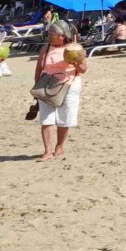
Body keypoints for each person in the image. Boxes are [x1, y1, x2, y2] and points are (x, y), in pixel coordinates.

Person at [34, 21, 87, 161]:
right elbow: (39, 68)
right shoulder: (45, 48)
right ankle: (47, 151)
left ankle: (59, 146)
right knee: (46, 118)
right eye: (49, 32)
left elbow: (83, 70)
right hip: (47, 85)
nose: (49, 35)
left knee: (65, 118)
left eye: (52, 33)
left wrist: (75, 61)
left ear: (62, 36)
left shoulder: (74, 48)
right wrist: (37, 86)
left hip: (69, 85)